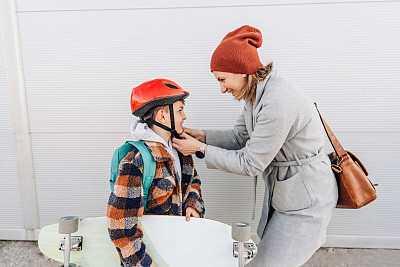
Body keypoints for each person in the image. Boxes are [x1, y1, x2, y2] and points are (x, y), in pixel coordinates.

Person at [172, 25, 338, 266]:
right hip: (288, 195)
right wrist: (202, 136)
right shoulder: (255, 94)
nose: (222, 88)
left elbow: (251, 163)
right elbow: (242, 136)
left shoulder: (277, 102)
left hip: (307, 201)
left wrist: (199, 148)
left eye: (222, 79)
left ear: (241, 71)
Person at [107, 79, 205, 267]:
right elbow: (120, 227)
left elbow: (193, 180)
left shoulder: (180, 149)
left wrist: (192, 205)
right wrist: (143, 263)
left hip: (177, 251)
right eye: (179, 110)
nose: (185, 116)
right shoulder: (136, 160)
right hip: (149, 258)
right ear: (162, 115)